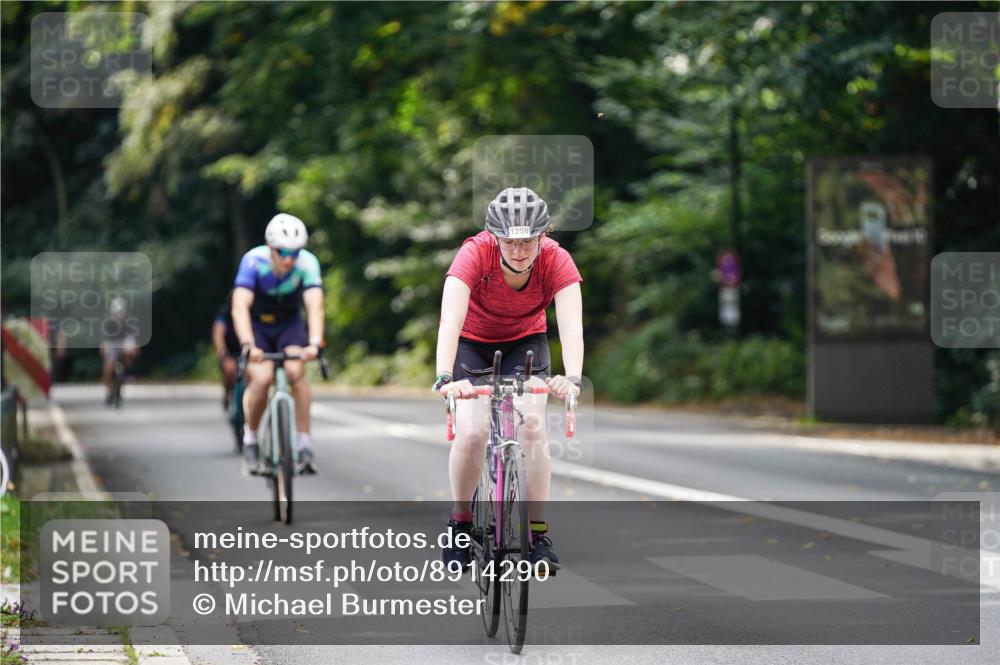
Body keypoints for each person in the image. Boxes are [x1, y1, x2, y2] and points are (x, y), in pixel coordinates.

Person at [432, 187, 583, 572]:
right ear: (494, 237)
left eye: (528, 242)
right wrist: (445, 376)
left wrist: (574, 378)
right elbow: (450, 319)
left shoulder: (556, 260)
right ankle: (461, 522)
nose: (519, 251)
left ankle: (537, 535)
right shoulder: (474, 253)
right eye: (510, 242)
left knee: (532, 424)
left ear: (543, 237)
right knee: (472, 433)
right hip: (472, 343)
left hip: (525, 344)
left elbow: (571, 326)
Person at [231, 213, 325, 475]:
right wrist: (248, 344)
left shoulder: (307, 263)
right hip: (258, 325)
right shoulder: (253, 260)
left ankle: (304, 443)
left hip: (288, 324)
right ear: (270, 248)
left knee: (296, 371)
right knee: (261, 379)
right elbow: (240, 307)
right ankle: (250, 437)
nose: (288, 259)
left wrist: (315, 342)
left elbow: (314, 306)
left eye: (294, 252)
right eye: (282, 252)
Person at [100, 297, 139, 405]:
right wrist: (104, 348)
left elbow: (132, 339)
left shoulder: (128, 324)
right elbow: (104, 341)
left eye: (121, 312)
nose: (120, 314)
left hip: (123, 346)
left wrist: (134, 348)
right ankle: (108, 391)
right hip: (112, 346)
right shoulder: (108, 324)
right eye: (118, 312)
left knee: (129, 353)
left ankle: (128, 372)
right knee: (109, 366)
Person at [212, 290, 242, 411]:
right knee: (230, 369)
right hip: (230, 351)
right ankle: (228, 393)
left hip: (248, 351)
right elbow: (218, 333)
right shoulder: (224, 313)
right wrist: (221, 350)